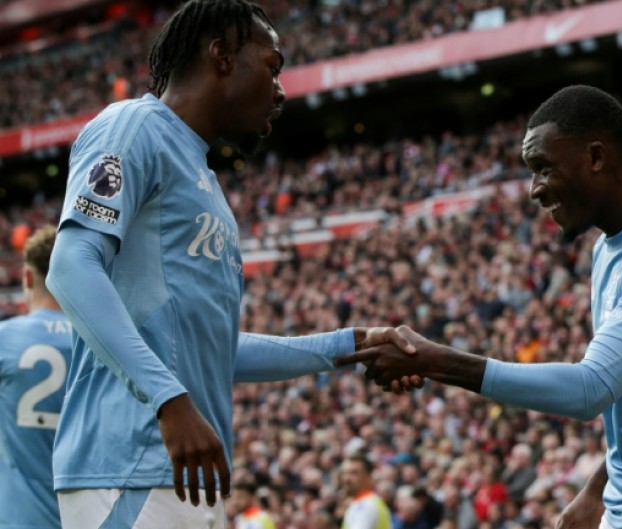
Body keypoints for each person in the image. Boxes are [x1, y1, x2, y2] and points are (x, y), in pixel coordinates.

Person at [337, 85, 622, 529]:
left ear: (595, 157)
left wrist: (435, 361)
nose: (534, 190)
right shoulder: (613, 244)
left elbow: (590, 389)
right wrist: (596, 490)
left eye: (543, 168)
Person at [45, 1, 416, 527]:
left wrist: (350, 345)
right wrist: (170, 400)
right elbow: (71, 265)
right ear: (221, 55)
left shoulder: (206, 182)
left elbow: (211, 348)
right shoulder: (134, 126)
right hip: (129, 465)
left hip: (186, 474)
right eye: (273, 66)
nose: (281, 89)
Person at [0, 226, 71, 529]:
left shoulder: (6, 338)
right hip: (92, 516)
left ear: (27, 278)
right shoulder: (104, 342)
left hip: (21, 518)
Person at [340, 454, 393, 529]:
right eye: (345, 473)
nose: (347, 478)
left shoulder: (365, 506)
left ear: (369, 477)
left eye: (354, 473)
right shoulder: (369, 502)